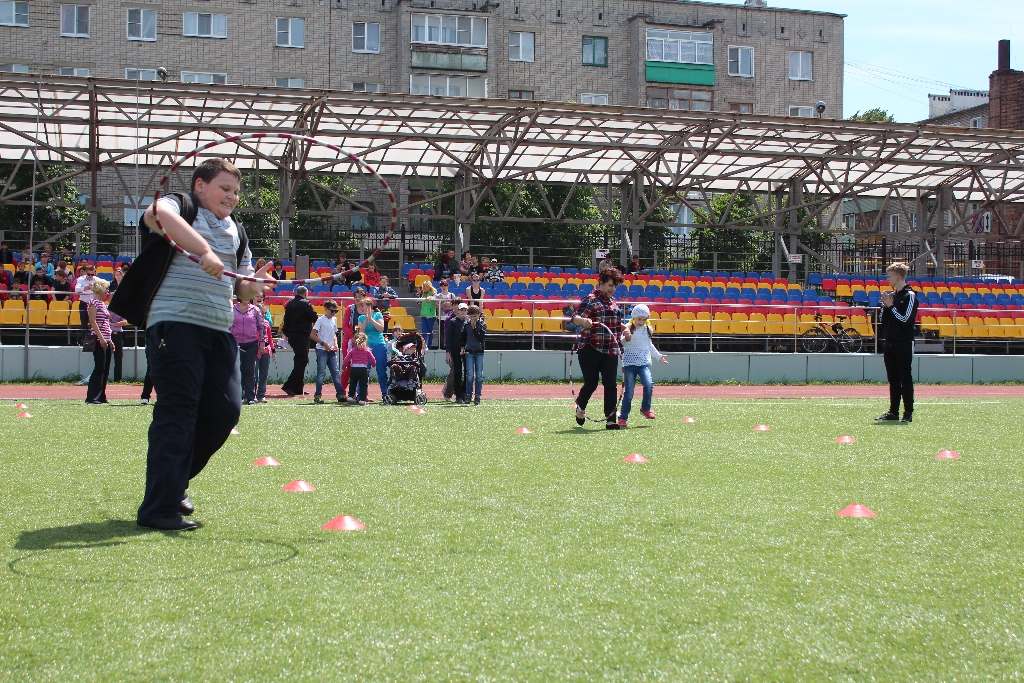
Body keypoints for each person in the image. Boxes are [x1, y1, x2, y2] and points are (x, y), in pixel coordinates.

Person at [128, 158, 274, 531]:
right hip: (176, 326)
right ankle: (159, 508)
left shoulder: (237, 230)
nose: (232, 197)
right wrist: (203, 250)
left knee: (225, 412)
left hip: (220, 331)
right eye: (224, 188)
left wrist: (254, 285)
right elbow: (155, 214)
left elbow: (241, 287)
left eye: (236, 192)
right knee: (178, 413)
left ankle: (174, 482)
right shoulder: (181, 205)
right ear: (199, 186)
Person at [571, 268, 629, 430]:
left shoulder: (613, 302)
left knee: (611, 383)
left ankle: (611, 420)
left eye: (615, 286)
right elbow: (575, 318)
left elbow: (613, 321)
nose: (613, 289)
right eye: (610, 285)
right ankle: (580, 408)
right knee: (591, 383)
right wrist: (583, 321)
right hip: (590, 347)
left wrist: (625, 328)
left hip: (611, 348)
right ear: (601, 283)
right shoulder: (590, 300)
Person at [877, 262, 919, 423]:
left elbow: (905, 320)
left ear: (898, 277)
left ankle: (908, 412)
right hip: (890, 342)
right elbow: (883, 321)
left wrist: (892, 307)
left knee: (905, 378)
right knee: (893, 379)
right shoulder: (892, 296)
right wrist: (885, 306)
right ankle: (893, 411)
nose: (887, 279)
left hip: (904, 343)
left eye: (889, 276)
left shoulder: (910, 296)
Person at [617, 304, 669, 428]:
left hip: (644, 363)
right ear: (633, 317)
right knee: (629, 392)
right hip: (629, 364)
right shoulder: (628, 328)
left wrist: (658, 356)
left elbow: (649, 345)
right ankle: (623, 417)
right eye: (639, 319)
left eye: (644, 319)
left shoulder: (647, 329)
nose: (641, 322)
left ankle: (645, 408)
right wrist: (626, 339)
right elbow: (621, 344)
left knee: (649, 384)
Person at [280, 285, 317, 396]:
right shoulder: (306, 303)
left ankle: (298, 387)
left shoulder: (289, 304)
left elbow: (286, 321)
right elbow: (314, 317)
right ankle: (289, 385)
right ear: (306, 294)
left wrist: (286, 333)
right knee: (303, 360)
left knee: (299, 360)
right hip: (302, 335)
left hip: (292, 335)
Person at [311, 299, 345, 404]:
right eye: (332, 311)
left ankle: (340, 394)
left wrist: (336, 344)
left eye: (335, 311)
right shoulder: (320, 320)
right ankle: (317, 395)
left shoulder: (334, 319)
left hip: (331, 350)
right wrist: (323, 344)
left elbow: (334, 334)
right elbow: (312, 335)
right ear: (325, 309)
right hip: (322, 350)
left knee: (336, 373)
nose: (333, 313)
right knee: (321, 373)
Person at [231, 296, 264, 405]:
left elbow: (261, 327)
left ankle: (250, 397)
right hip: (236, 343)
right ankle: (237, 395)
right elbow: (228, 325)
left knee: (249, 370)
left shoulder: (255, 310)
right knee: (237, 370)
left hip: (251, 343)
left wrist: (262, 343)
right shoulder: (232, 309)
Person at [85, 279, 113, 405]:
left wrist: (109, 339)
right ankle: (92, 396)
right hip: (99, 339)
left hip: (106, 338)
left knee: (106, 368)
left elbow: (106, 323)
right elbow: (93, 321)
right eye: (106, 288)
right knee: (99, 367)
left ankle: (101, 395)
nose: (107, 291)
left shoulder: (102, 303)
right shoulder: (93, 303)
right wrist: (101, 338)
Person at [357, 296, 389, 399]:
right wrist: (366, 320)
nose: (361, 308)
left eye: (363, 306)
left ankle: (385, 394)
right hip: (366, 347)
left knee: (381, 371)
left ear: (369, 306)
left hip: (379, 345)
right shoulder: (361, 318)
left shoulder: (378, 315)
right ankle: (362, 395)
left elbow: (381, 329)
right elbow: (361, 332)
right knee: (364, 371)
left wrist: (371, 319)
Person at [339, 286, 366, 392]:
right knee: (347, 367)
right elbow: (344, 326)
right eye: (356, 297)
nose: (357, 299)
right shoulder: (350, 309)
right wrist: (352, 336)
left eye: (360, 296)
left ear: (364, 297)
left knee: (362, 369)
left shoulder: (367, 309)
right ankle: (342, 391)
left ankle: (361, 393)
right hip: (349, 342)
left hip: (362, 342)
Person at [461, 304, 487, 405]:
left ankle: (477, 396)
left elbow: (481, 338)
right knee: (469, 375)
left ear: (478, 315)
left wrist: (474, 328)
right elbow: (462, 337)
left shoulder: (482, 324)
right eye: (471, 316)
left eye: (475, 316)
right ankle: (468, 395)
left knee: (479, 375)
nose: (473, 318)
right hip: (469, 352)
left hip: (479, 352)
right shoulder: (466, 324)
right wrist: (462, 347)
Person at [445, 302, 469, 403]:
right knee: (457, 372)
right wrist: (447, 352)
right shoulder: (453, 321)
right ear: (458, 311)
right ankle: (458, 395)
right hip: (455, 349)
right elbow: (448, 338)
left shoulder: (468, 321)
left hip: (466, 349)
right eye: (461, 310)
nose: (463, 312)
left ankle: (465, 393)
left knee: (468, 372)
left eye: (465, 310)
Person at [343, 332, 376, 405]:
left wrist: (344, 367)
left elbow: (346, 359)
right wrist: (373, 365)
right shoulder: (367, 350)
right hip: (363, 369)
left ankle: (351, 396)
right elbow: (373, 359)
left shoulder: (353, 350)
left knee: (353, 383)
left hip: (354, 368)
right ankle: (362, 399)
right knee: (363, 385)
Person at [254, 297, 275, 404]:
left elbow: (270, 337)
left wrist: (273, 350)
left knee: (264, 374)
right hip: (255, 350)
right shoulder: (251, 323)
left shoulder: (266, 323)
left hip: (266, 350)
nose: (262, 315)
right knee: (254, 374)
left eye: (263, 313)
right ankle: (251, 394)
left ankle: (261, 395)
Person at [74, 262, 97, 328]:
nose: (90, 276)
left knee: (94, 323)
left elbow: (102, 290)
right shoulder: (80, 279)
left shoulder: (97, 280)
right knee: (84, 324)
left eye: (92, 274)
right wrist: (84, 288)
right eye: (88, 274)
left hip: (93, 304)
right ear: (86, 272)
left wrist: (92, 288)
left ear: (94, 273)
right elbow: (76, 289)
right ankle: (84, 335)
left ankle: (94, 335)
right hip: (83, 303)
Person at [108, 311, 130, 382]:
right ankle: (104, 378)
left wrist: (112, 324)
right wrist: (112, 312)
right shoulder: (105, 309)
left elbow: (124, 322)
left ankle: (117, 379)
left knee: (118, 357)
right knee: (106, 357)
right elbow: (106, 320)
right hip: (108, 335)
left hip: (118, 335)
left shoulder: (119, 311)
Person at [435, 279, 456, 349]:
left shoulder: (452, 295)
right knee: (441, 333)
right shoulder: (438, 296)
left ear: (448, 286)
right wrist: (445, 305)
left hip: (450, 317)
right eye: (442, 286)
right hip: (441, 318)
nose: (443, 287)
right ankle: (441, 347)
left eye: (445, 285)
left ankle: (450, 346)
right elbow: (436, 306)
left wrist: (445, 307)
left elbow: (455, 306)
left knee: (451, 332)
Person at [418, 281, 437, 348]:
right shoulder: (422, 293)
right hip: (423, 314)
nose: (425, 288)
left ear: (430, 286)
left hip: (431, 315)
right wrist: (419, 294)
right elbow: (418, 302)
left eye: (427, 286)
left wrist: (430, 298)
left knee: (430, 331)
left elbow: (434, 298)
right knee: (424, 331)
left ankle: (429, 345)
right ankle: (424, 346)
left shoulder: (433, 293)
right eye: (424, 286)